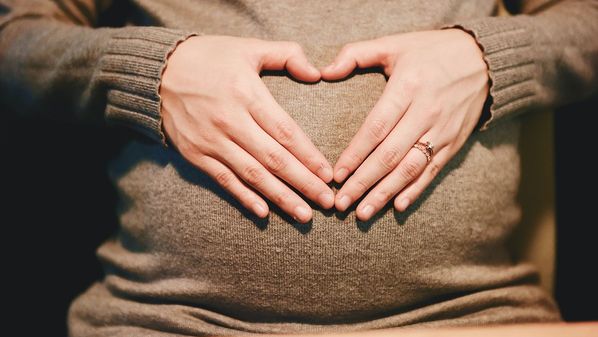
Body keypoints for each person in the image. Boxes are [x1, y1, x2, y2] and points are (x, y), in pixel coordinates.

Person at [1, 0, 597, 336]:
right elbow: (12, 37)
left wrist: (492, 57)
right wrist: (149, 72)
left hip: (472, 321)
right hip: (170, 320)